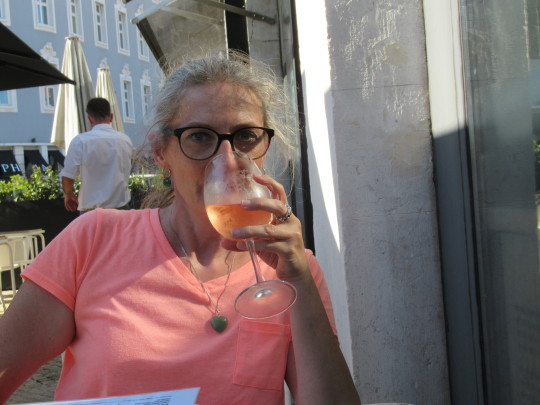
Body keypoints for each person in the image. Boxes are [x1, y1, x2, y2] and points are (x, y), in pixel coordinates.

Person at [0, 52, 360, 405]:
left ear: (265, 147)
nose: (228, 160)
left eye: (246, 136)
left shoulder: (292, 269)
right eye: (200, 137)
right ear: (161, 152)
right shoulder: (94, 240)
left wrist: (298, 280)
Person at [60, 97, 133, 213]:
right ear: (111, 117)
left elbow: (68, 176)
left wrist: (68, 194)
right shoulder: (125, 140)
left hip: (90, 211)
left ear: (90, 119)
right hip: (120, 209)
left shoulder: (80, 141)